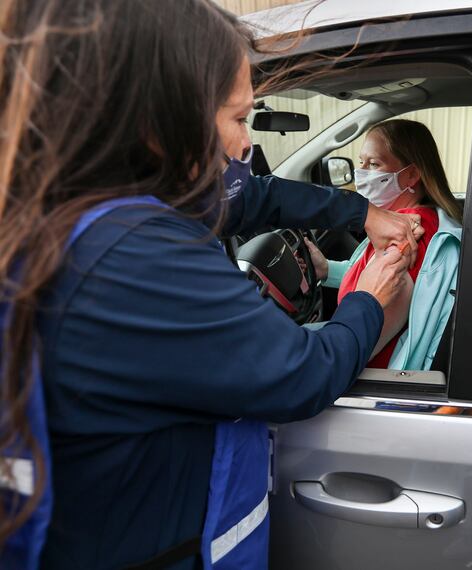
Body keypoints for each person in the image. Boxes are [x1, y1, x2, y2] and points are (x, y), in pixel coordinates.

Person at [0, 1, 425, 568]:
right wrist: (370, 300)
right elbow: (301, 373)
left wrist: (356, 212)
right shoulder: (134, 255)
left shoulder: (85, 213)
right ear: (157, 125)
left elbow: (249, 198)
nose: (246, 145)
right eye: (239, 118)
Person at [305, 120, 463, 370]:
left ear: (411, 175)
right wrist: (326, 269)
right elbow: (373, 278)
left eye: (374, 164)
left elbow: (357, 346)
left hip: (370, 381)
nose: (362, 173)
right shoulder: (401, 222)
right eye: (361, 163)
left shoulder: (405, 240)